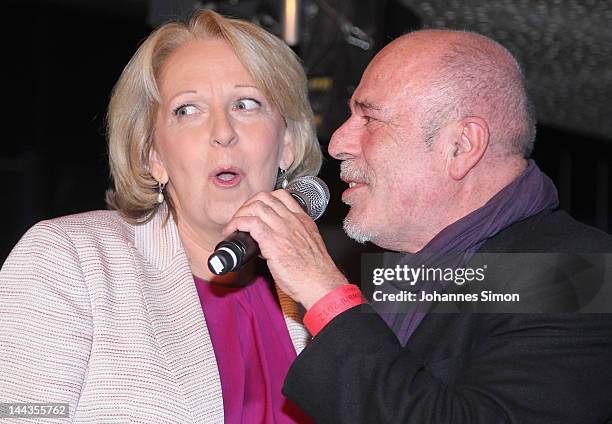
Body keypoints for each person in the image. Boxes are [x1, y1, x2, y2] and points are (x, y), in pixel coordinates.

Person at [222, 29, 612, 422]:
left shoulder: (576, 273)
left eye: (369, 117)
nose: (338, 142)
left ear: (461, 146)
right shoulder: (402, 279)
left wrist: (324, 291)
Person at [0, 10, 320, 423]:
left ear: (287, 145)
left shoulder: (309, 294)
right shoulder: (69, 260)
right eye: (188, 110)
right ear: (154, 155)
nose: (222, 131)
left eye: (246, 104)